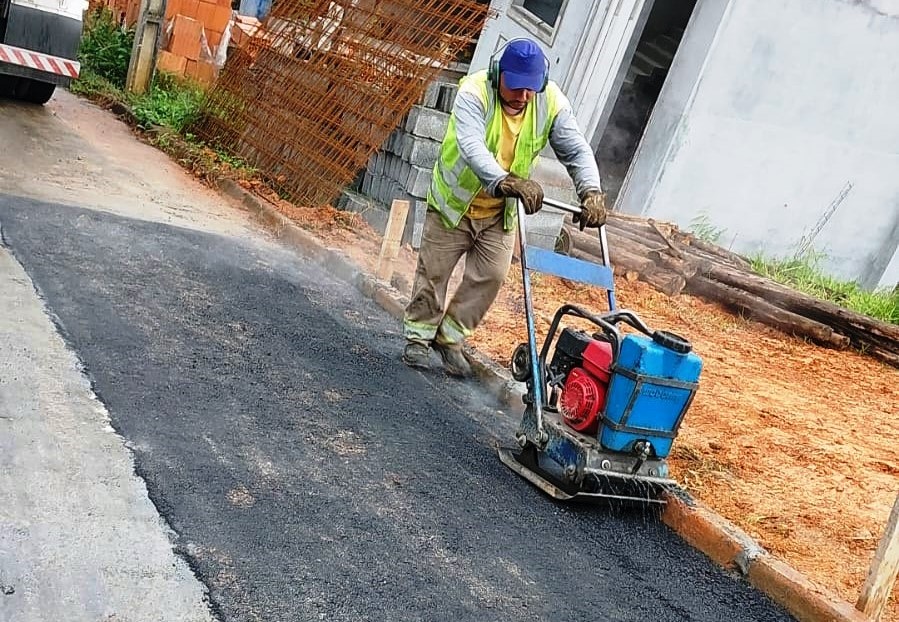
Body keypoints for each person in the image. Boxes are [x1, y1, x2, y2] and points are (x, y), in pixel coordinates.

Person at [402, 38, 607, 377]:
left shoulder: (550, 102)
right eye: (516, 87)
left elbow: (577, 150)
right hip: (455, 203)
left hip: (500, 212)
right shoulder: (474, 92)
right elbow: (471, 146)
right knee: (434, 272)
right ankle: (418, 337)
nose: (523, 97)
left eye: (531, 89)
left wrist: (591, 190)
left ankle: (449, 339)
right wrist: (507, 180)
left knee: (492, 276)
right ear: (499, 74)